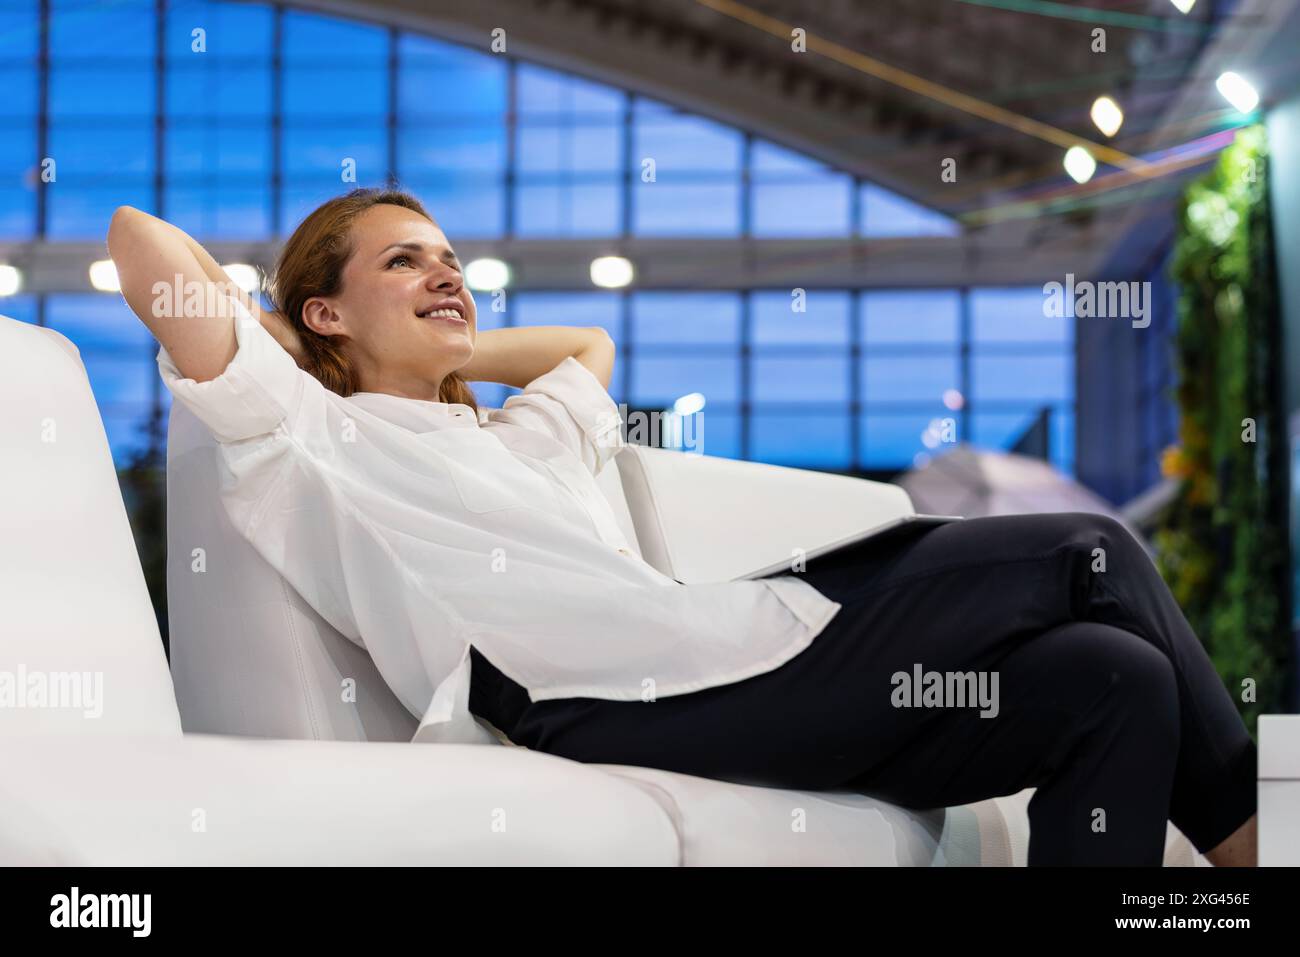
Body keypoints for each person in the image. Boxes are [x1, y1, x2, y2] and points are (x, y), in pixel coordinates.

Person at [106, 187, 1257, 867]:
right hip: (615, 704)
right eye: (404, 261)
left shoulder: (514, 443)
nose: (447, 276)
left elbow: (581, 354)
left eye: (455, 262)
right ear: (318, 312)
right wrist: (302, 348)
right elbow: (142, 243)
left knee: (1109, 674)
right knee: (1087, 553)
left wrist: (426, 330)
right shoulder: (306, 436)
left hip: (744, 672)